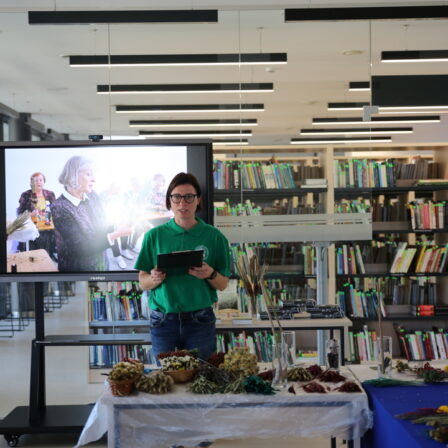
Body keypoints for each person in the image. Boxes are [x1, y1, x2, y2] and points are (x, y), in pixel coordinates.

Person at [135, 172, 230, 362]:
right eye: (176, 197)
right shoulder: (154, 236)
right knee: (165, 376)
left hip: (200, 320)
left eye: (189, 197)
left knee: (203, 374)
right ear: (169, 201)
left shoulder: (214, 236)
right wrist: (153, 278)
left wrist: (210, 273)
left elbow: (222, 284)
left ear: (198, 200)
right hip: (162, 320)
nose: (182, 203)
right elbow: (142, 282)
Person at [51, 155, 133, 272]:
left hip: (102, 264)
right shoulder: (59, 207)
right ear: (73, 176)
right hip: (78, 271)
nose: (94, 179)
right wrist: (116, 234)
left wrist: (117, 225)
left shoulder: (92, 194)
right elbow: (81, 249)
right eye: (89, 174)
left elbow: (103, 222)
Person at [17, 172, 57, 259]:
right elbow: (20, 214)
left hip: (48, 228)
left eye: (41, 180)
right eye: (36, 180)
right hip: (32, 228)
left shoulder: (50, 194)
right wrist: (31, 214)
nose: (39, 182)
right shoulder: (25, 195)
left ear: (44, 181)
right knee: (34, 256)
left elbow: (56, 211)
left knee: (46, 256)